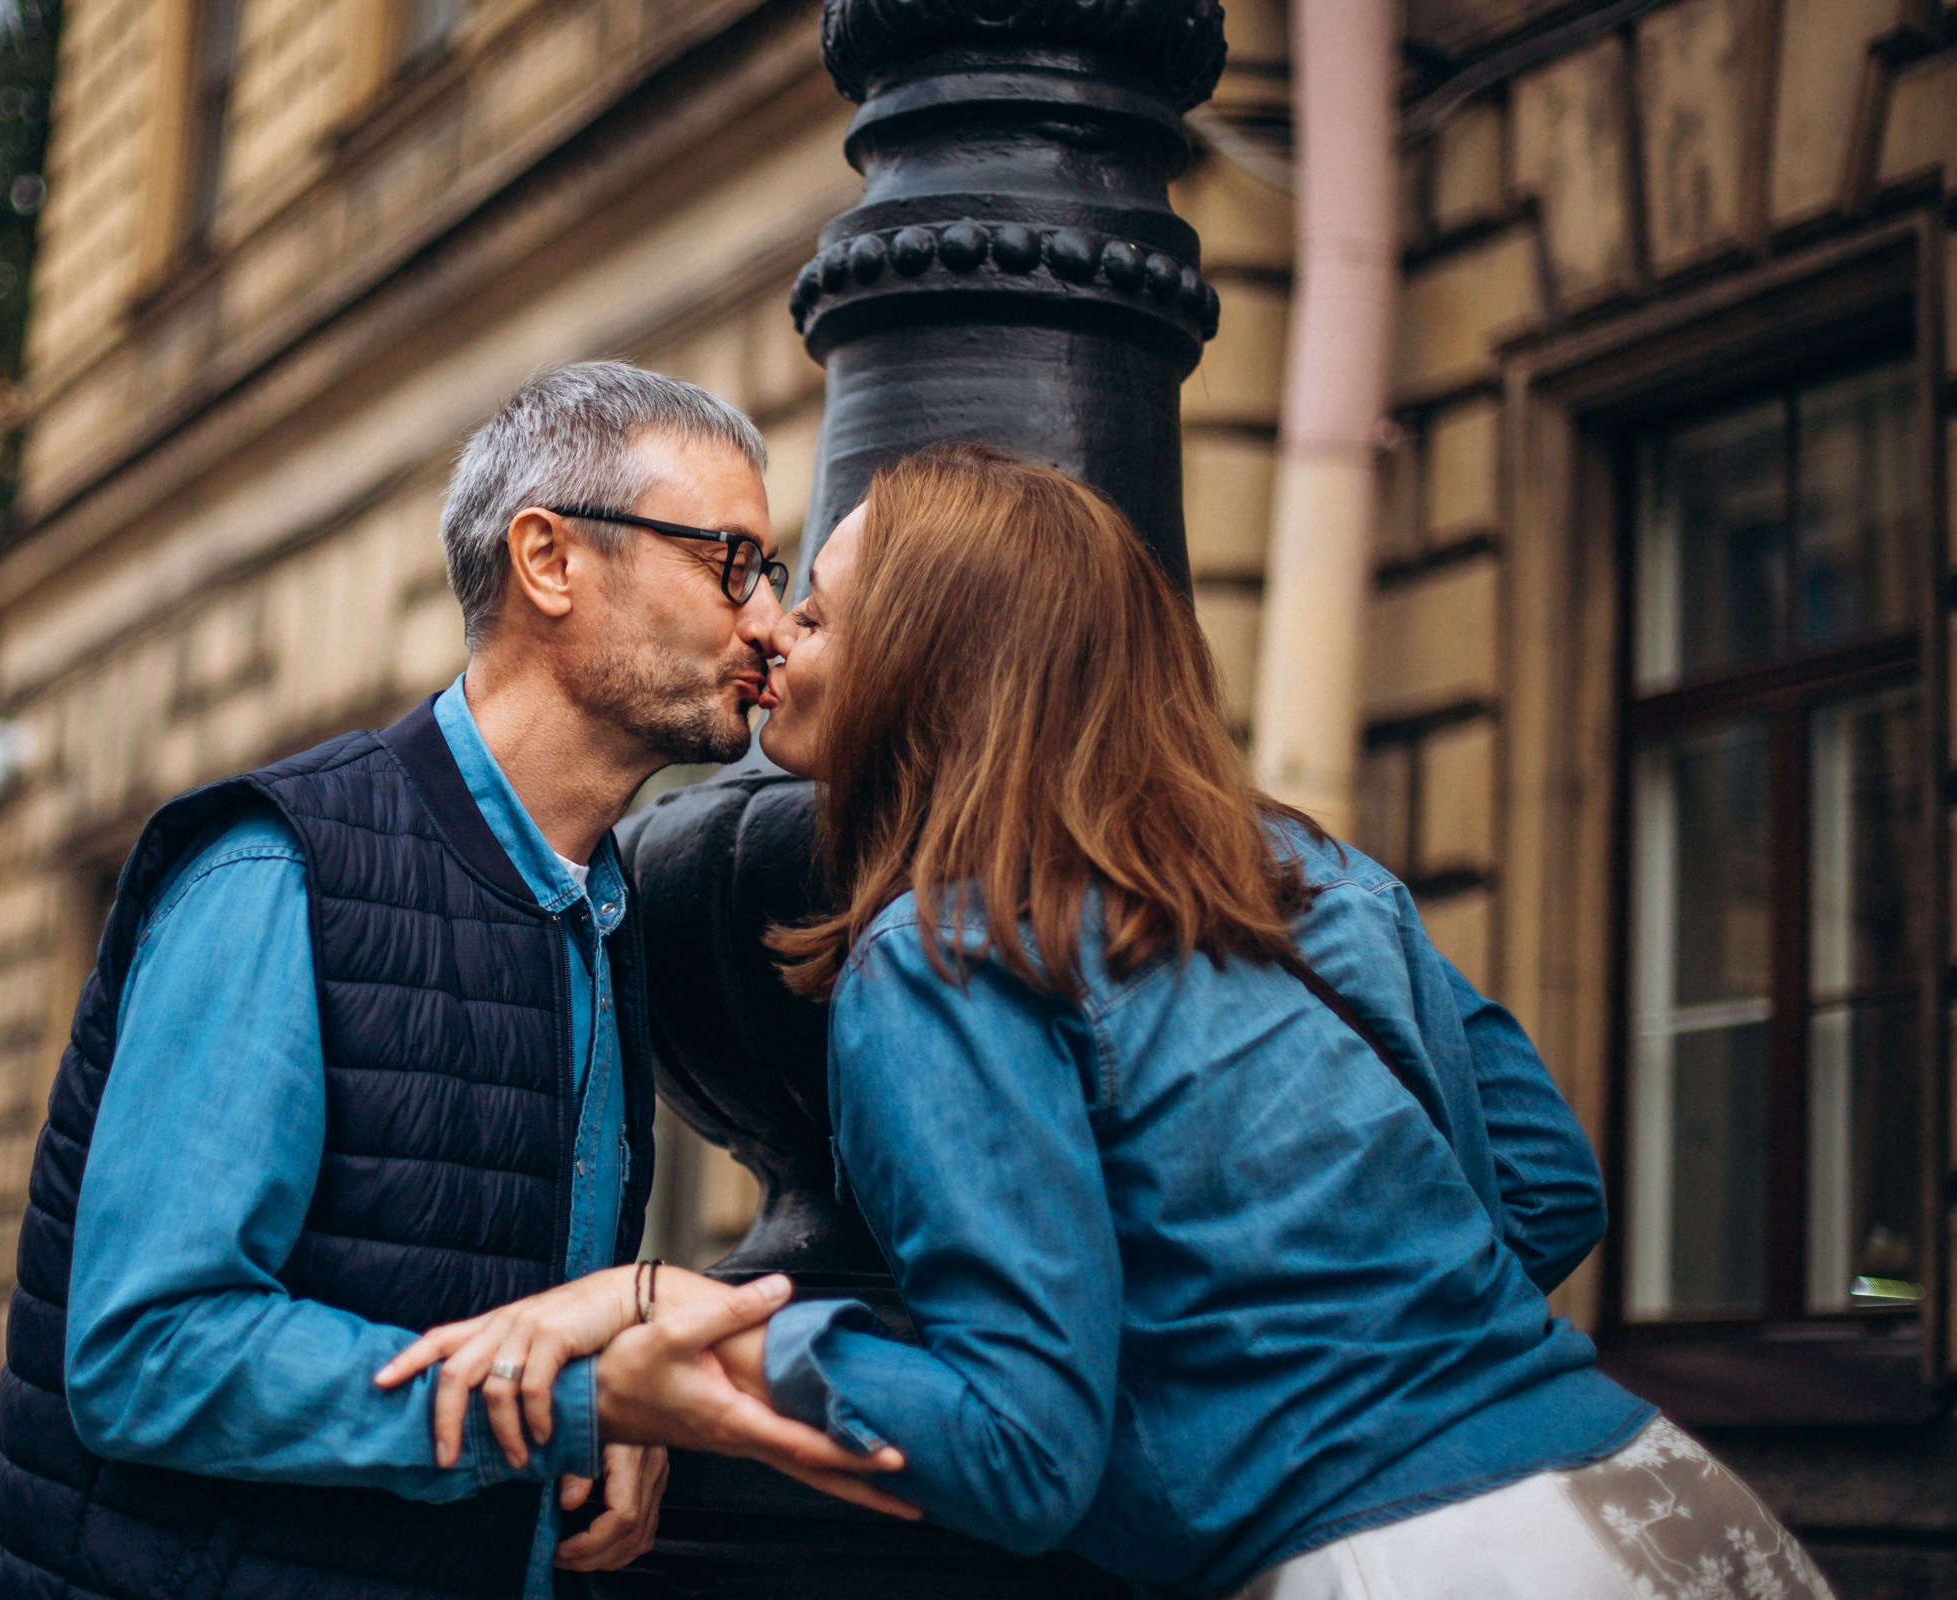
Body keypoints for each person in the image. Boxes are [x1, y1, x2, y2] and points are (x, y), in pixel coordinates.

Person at [418, 445, 1837, 1599]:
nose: (777, 629)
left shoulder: (945, 949)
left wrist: (687, 1317)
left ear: (932, 660)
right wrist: (1337, 1343)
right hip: (1658, 1501)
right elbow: (1543, 1179)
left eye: (830, 611)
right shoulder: (1305, 872)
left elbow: (1019, 1453)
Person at [0, 362, 902, 1600]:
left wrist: (614, 1409)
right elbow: (149, 1352)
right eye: (731, 564)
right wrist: (574, 1402)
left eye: (770, 577)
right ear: (550, 561)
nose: (770, 623)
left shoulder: (602, 910)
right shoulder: (274, 868)